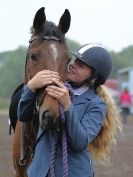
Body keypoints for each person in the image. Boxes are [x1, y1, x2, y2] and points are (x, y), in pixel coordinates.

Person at [17, 43, 122, 177]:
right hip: (39, 171)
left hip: (73, 172)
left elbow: (79, 142)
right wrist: (30, 87)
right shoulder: (53, 87)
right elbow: (24, 116)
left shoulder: (96, 105)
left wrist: (67, 105)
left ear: (94, 77)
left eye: (81, 65)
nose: (73, 65)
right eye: (75, 61)